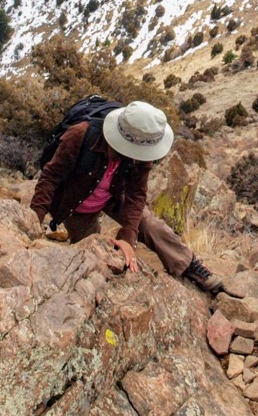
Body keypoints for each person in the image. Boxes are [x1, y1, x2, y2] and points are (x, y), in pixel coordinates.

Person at [30, 100, 223, 292]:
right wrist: (32, 222)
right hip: (75, 202)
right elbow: (50, 177)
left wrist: (128, 238)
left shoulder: (143, 149)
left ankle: (188, 264)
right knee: (90, 256)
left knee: (149, 223)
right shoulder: (80, 134)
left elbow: (136, 194)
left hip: (114, 195)